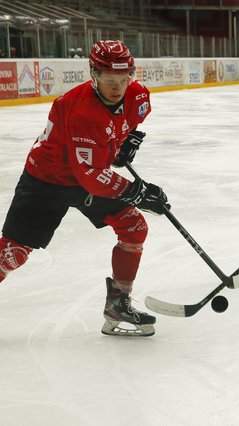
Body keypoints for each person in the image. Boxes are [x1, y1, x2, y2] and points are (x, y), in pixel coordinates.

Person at [0, 40, 169, 337]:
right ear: (93, 74)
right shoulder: (79, 111)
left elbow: (117, 131)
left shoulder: (138, 95)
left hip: (86, 174)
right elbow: (91, 175)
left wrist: (121, 145)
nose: (117, 88)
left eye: (123, 79)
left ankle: (118, 304)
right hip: (47, 179)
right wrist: (137, 192)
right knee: (13, 254)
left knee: (133, 227)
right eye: (108, 80)